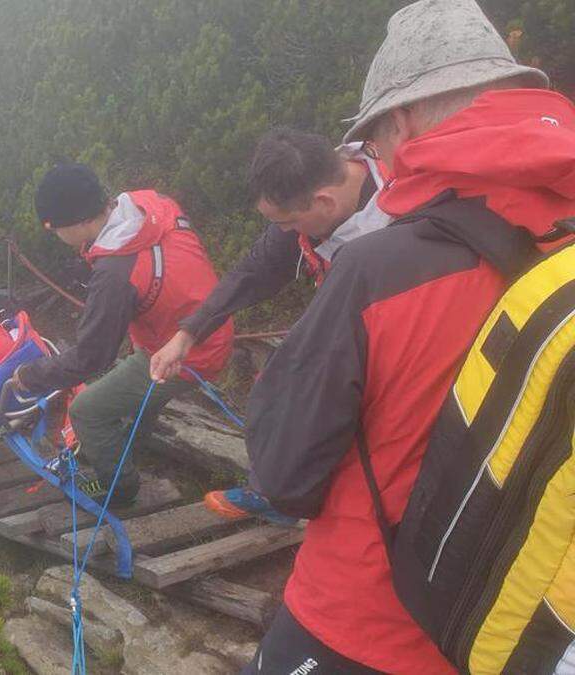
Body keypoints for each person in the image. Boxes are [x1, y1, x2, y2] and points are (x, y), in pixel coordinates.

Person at [241, 1, 570, 672]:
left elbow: (283, 473)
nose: (378, 157)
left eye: (374, 139)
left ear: (404, 119)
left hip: (361, 626)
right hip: (520, 634)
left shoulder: (377, 270)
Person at [151, 130, 390, 524]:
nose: (283, 232)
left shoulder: (400, 208)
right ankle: (277, 493)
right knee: (277, 379)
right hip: (351, 313)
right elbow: (254, 271)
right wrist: (187, 334)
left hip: (402, 326)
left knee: (313, 386)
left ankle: (299, 496)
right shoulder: (312, 192)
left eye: (288, 223)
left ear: (324, 202)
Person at [9, 163, 233, 505]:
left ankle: (119, 488)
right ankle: (131, 445)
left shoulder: (115, 273)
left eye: (54, 228)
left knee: (86, 410)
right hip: (208, 324)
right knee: (126, 392)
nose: (55, 236)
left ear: (81, 221)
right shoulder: (148, 204)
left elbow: (91, 358)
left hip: (187, 354)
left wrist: (29, 377)